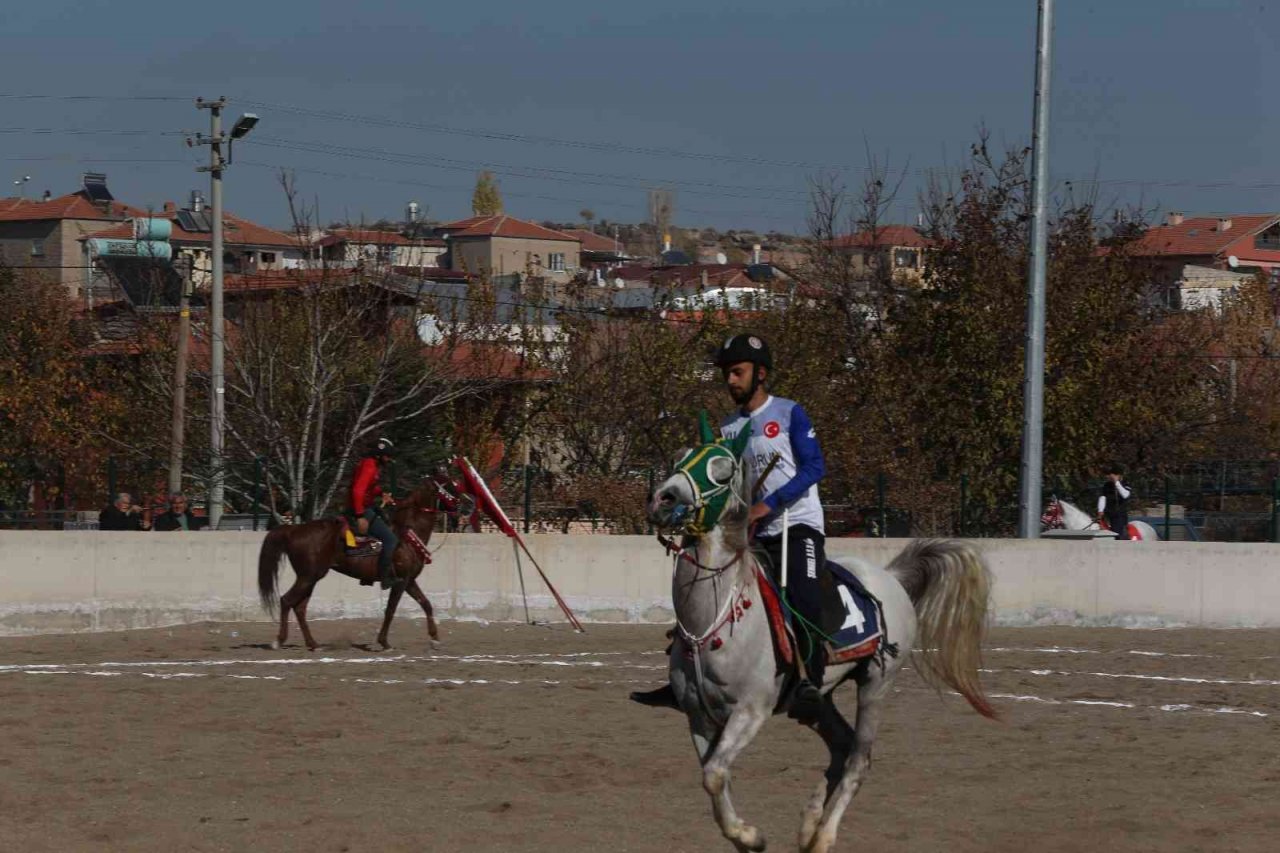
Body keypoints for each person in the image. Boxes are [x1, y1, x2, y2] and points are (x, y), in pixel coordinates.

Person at [632, 333, 829, 717]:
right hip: (748, 532)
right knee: (699, 587)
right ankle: (682, 680)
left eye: (737, 372)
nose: (730, 380)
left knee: (803, 596)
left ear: (761, 374)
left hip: (797, 525)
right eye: (727, 373)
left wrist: (766, 505)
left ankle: (810, 681)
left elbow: (815, 467)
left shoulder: (790, 412)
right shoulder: (728, 429)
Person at [349, 438, 401, 589]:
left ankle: (367, 572)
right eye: (387, 455)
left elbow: (368, 487)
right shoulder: (369, 466)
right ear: (379, 455)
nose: (389, 459)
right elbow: (357, 491)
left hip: (366, 506)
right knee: (390, 539)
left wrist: (381, 493)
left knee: (385, 526)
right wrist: (359, 516)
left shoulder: (370, 464)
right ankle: (384, 577)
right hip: (361, 509)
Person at [1097, 466, 1132, 541]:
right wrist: (1100, 510)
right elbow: (1103, 497)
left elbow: (1125, 495)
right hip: (1107, 513)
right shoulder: (1107, 485)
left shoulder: (1125, 483)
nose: (1110, 477)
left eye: (1113, 475)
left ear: (1119, 475)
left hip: (1119, 515)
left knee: (1117, 534)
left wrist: (1117, 483)